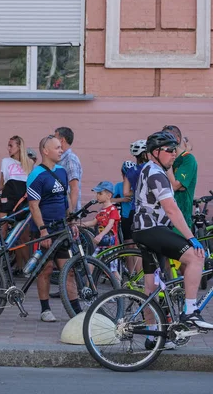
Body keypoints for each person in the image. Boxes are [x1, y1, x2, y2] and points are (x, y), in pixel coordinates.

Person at [132, 131, 213, 343]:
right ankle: (191, 311)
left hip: (144, 229)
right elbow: (171, 209)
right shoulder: (156, 174)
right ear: (153, 153)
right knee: (196, 256)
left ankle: (152, 336)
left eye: (175, 149)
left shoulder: (151, 169)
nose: (174, 154)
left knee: (151, 286)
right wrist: (191, 239)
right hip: (152, 229)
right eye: (169, 150)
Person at [27, 135, 80, 322]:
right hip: (45, 229)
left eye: (61, 147)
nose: (61, 150)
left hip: (61, 229)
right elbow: (34, 206)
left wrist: (72, 221)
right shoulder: (36, 175)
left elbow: (65, 199)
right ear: (45, 151)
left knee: (69, 269)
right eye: (57, 148)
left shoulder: (62, 171)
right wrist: (42, 230)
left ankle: (77, 310)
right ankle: (45, 309)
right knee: (46, 269)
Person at [0, 136, 34, 272]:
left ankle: (26, 268)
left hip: (22, 201)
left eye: (11, 145)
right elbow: (2, 184)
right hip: (7, 199)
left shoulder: (29, 163)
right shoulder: (5, 161)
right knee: (2, 233)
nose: (8, 148)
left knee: (23, 237)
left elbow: (31, 185)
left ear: (19, 147)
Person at [81, 181, 121, 279]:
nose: (97, 196)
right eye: (97, 194)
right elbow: (93, 222)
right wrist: (79, 224)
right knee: (91, 264)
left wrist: (100, 235)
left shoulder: (113, 209)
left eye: (100, 193)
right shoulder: (101, 211)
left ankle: (120, 288)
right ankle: (89, 287)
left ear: (109, 195)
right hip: (101, 244)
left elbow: (110, 225)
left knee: (113, 270)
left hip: (110, 245)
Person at [161, 125, 197, 230]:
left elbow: (175, 186)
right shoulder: (162, 159)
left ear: (177, 139)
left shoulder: (188, 159)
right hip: (162, 218)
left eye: (166, 138)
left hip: (181, 218)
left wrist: (168, 165)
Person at [54, 126, 82, 213]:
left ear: (62, 140)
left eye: (55, 138)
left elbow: (74, 188)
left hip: (67, 212)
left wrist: (71, 214)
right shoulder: (60, 159)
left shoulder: (70, 159)